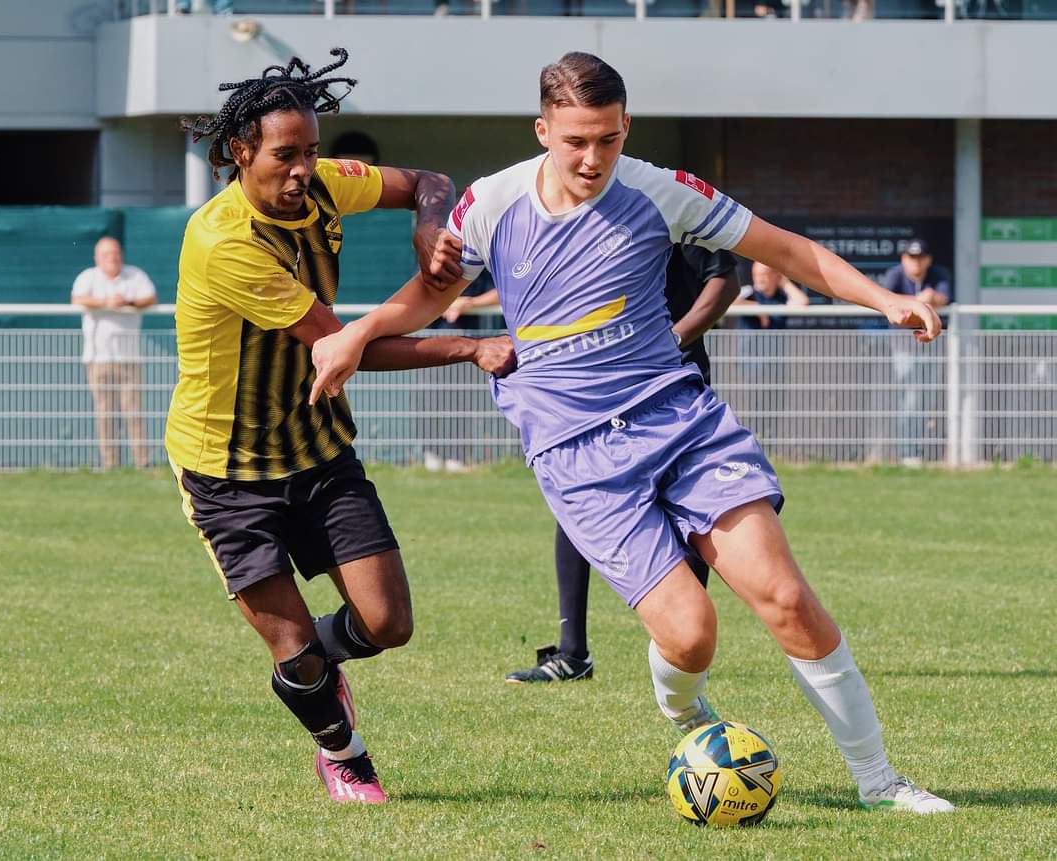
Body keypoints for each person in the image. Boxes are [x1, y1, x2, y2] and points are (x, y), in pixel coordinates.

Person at [308, 51, 955, 815]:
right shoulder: (491, 203)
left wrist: (884, 299)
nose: (592, 158)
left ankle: (881, 783)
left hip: (679, 419)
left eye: (608, 139)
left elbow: (785, 249)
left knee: (785, 595)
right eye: (576, 140)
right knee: (692, 634)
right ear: (544, 129)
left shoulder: (658, 191)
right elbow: (427, 295)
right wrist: (359, 331)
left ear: (626, 128)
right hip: (576, 453)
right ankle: (686, 714)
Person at [166, 48, 514, 806]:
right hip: (226, 470)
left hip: (316, 448)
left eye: (312, 153)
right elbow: (342, 347)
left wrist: (428, 226)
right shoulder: (227, 240)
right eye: (286, 156)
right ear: (240, 153)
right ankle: (344, 752)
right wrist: (472, 346)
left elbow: (432, 182)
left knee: (388, 622)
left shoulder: (322, 186)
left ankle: (305, 672)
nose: (303, 171)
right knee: (293, 644)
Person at [505, 244, 741, 683]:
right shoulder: (590, 217)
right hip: (605, 388)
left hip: (675, 386)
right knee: (580, 499)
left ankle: (682, 652)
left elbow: (726, 281)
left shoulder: (684, 209)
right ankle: (572, 652)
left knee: (690, 508)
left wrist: (673, 338)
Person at [71, 236, 157, 469]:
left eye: (116, 253)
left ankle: (142, 463)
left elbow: (150, 297)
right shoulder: (88, 277)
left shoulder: (135, 275)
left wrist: (127, 302)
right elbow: (78, 298)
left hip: (129, 357)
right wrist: (106, 302)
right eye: (107, 254)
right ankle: (111, 465)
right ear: (97, 257)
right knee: (105, 414)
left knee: (134, 412)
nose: (113, 258)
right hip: (98, 358)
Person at [881, 238, 952, 464]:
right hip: (903, 346)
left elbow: (943, 298)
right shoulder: (894, 275)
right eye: (911, 258)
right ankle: (907, 452)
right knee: (909, 398)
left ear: (928, 260)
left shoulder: (938, 274)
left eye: (920, 258)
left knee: (925, 398)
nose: (916, 263)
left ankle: (914, 449)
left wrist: (930, 299)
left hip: (930, 344)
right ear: (904, 259)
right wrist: (918, 302)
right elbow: (889, 304)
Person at [734, 261, 810, 329]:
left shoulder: (782, 297)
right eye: (755, 275)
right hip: (751, 344)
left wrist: (784, 283)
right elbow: (730, 302)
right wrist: (757, 308)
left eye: (763, 275)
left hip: (776, 344)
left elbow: (803, 302)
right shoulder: (748, 292)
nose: (759, 279)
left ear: (775, 276)